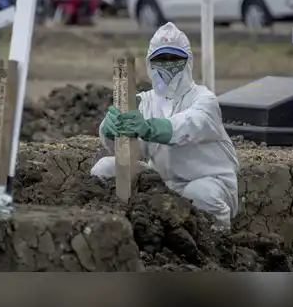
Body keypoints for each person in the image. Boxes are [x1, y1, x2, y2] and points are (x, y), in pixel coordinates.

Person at [91, 22, 240, 229]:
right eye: (160, 59)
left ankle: (217, 238)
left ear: (188, 62)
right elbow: (133, 150)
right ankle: (113, 229)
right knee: (105, 168)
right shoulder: (144, 102)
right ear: (150, 63)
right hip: (162, 185)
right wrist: (111, 130)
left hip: (210, 181)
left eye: (174, 59)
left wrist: (151, 128)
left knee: (200, 194)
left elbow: (190, 125)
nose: (167, 65)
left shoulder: (204, 100)